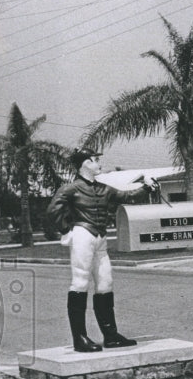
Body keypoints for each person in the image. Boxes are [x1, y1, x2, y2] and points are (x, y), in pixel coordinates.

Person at [47, 147, 155, 353]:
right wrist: (66, 230)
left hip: (99, 238)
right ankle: (80, 338)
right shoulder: (70, 189)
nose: (99, 164)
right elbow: (53, 211)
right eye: (95, 160)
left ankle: (111, 336)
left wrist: (147, 188)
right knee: (79, 282)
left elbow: (128, 196)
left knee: (105, 282)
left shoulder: (104, 188)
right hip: (83, 235)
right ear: (85, 163)